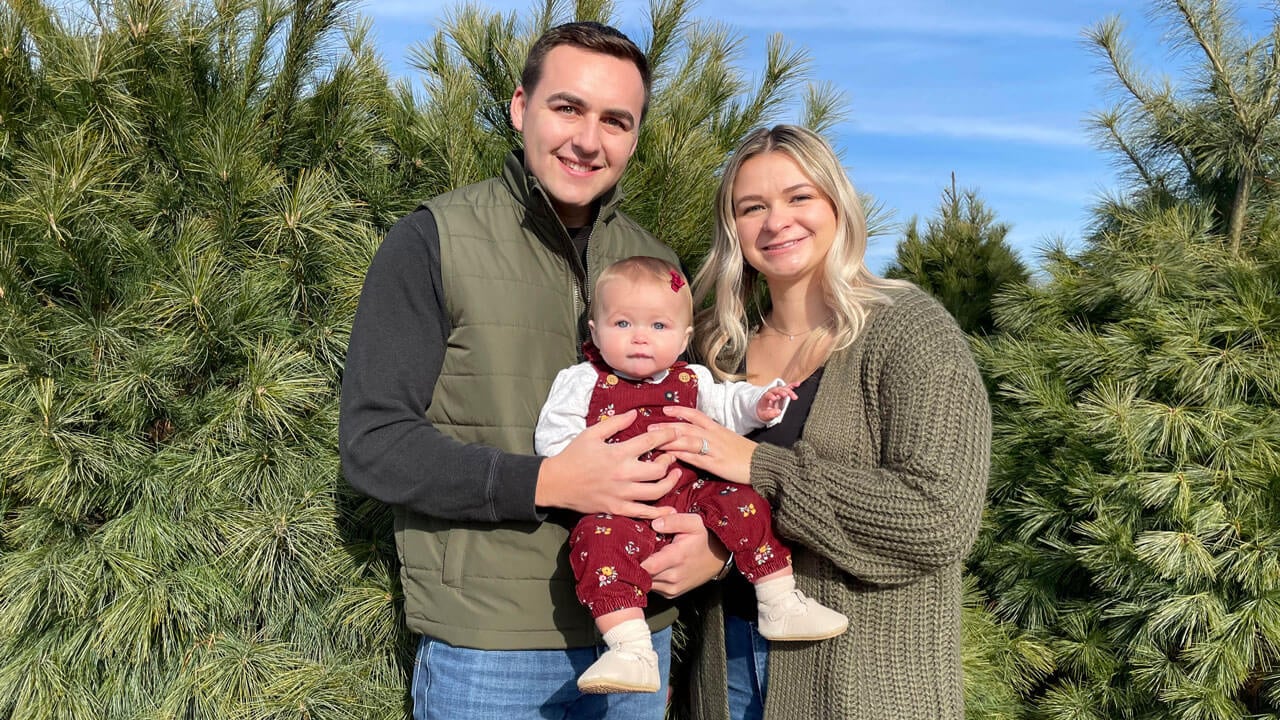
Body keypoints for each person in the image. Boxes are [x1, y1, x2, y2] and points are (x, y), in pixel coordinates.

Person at [339, 22, 723, 720]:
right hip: (486, 655)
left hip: (642, 641)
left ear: (634, 138)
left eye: (615, 120)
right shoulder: (432, 241)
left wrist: (715, 547)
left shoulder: (655, 263)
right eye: (567, 107)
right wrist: (546, 482)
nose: (588, 139)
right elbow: (375, 443)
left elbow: (699, 427)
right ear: (521, 106)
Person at [662, 125, 992, 719]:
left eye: (798, 197)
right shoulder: (713, 349)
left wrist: (761, 467)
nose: (776, 221)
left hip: (862, 682)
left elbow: (940, 518)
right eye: (752, 206)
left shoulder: (909, 332)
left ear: (837, 203)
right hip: (724, 674)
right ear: (732, 228)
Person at [534, 256, 848, 695]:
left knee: (746, 502)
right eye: (622, 324)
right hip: (620, 504)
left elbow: (729, 405)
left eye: (658, 327)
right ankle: (630, 648)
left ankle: (778, 600)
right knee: (594, 543)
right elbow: (554, 436)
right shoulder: (583, 381)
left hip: (692, 492)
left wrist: (760, 404)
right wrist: (579, 465)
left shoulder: (693, 379)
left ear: (684, 339)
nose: (640, 337)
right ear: (595, 332)